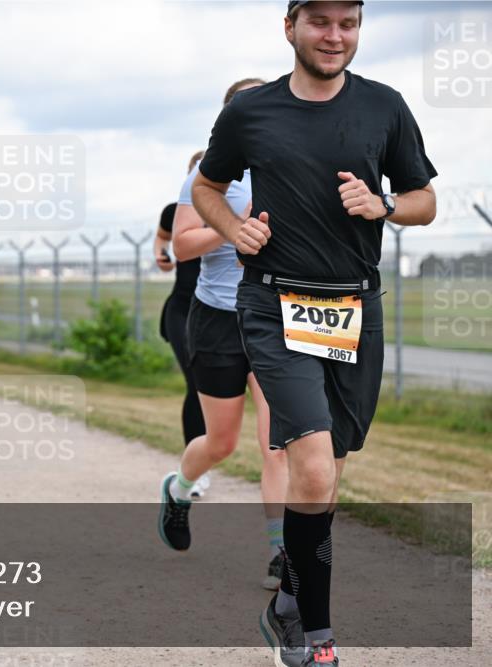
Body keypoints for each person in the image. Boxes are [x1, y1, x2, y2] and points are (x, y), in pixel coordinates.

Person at [191, 2, 437, 664]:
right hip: (274, 305)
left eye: (348, 23)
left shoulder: (384, 107)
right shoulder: (250, 112)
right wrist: (232, 228)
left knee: (327, 479)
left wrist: (384, 204)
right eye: (321, 21)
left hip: (355, 308)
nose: (335, 36)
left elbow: (425, 200)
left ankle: (285, 603)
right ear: (291, 26)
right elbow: (209, 186)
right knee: (314, 464)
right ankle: (315, 638)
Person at [158, 78, 290, 590]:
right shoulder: (208, 175)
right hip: (217, 317)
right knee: (220, 441)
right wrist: (233, 225)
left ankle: (282, 552)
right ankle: (179, 488)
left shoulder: (293, 165)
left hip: (276, 317)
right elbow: (182, 247)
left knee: (278, 442)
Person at [155, 150, 207, 499]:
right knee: (197, 384)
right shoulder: (175, 212)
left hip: (220, 311)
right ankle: (196, 472)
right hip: (183, 310)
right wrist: (162, 255)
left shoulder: (236, 210)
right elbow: (162, 238)